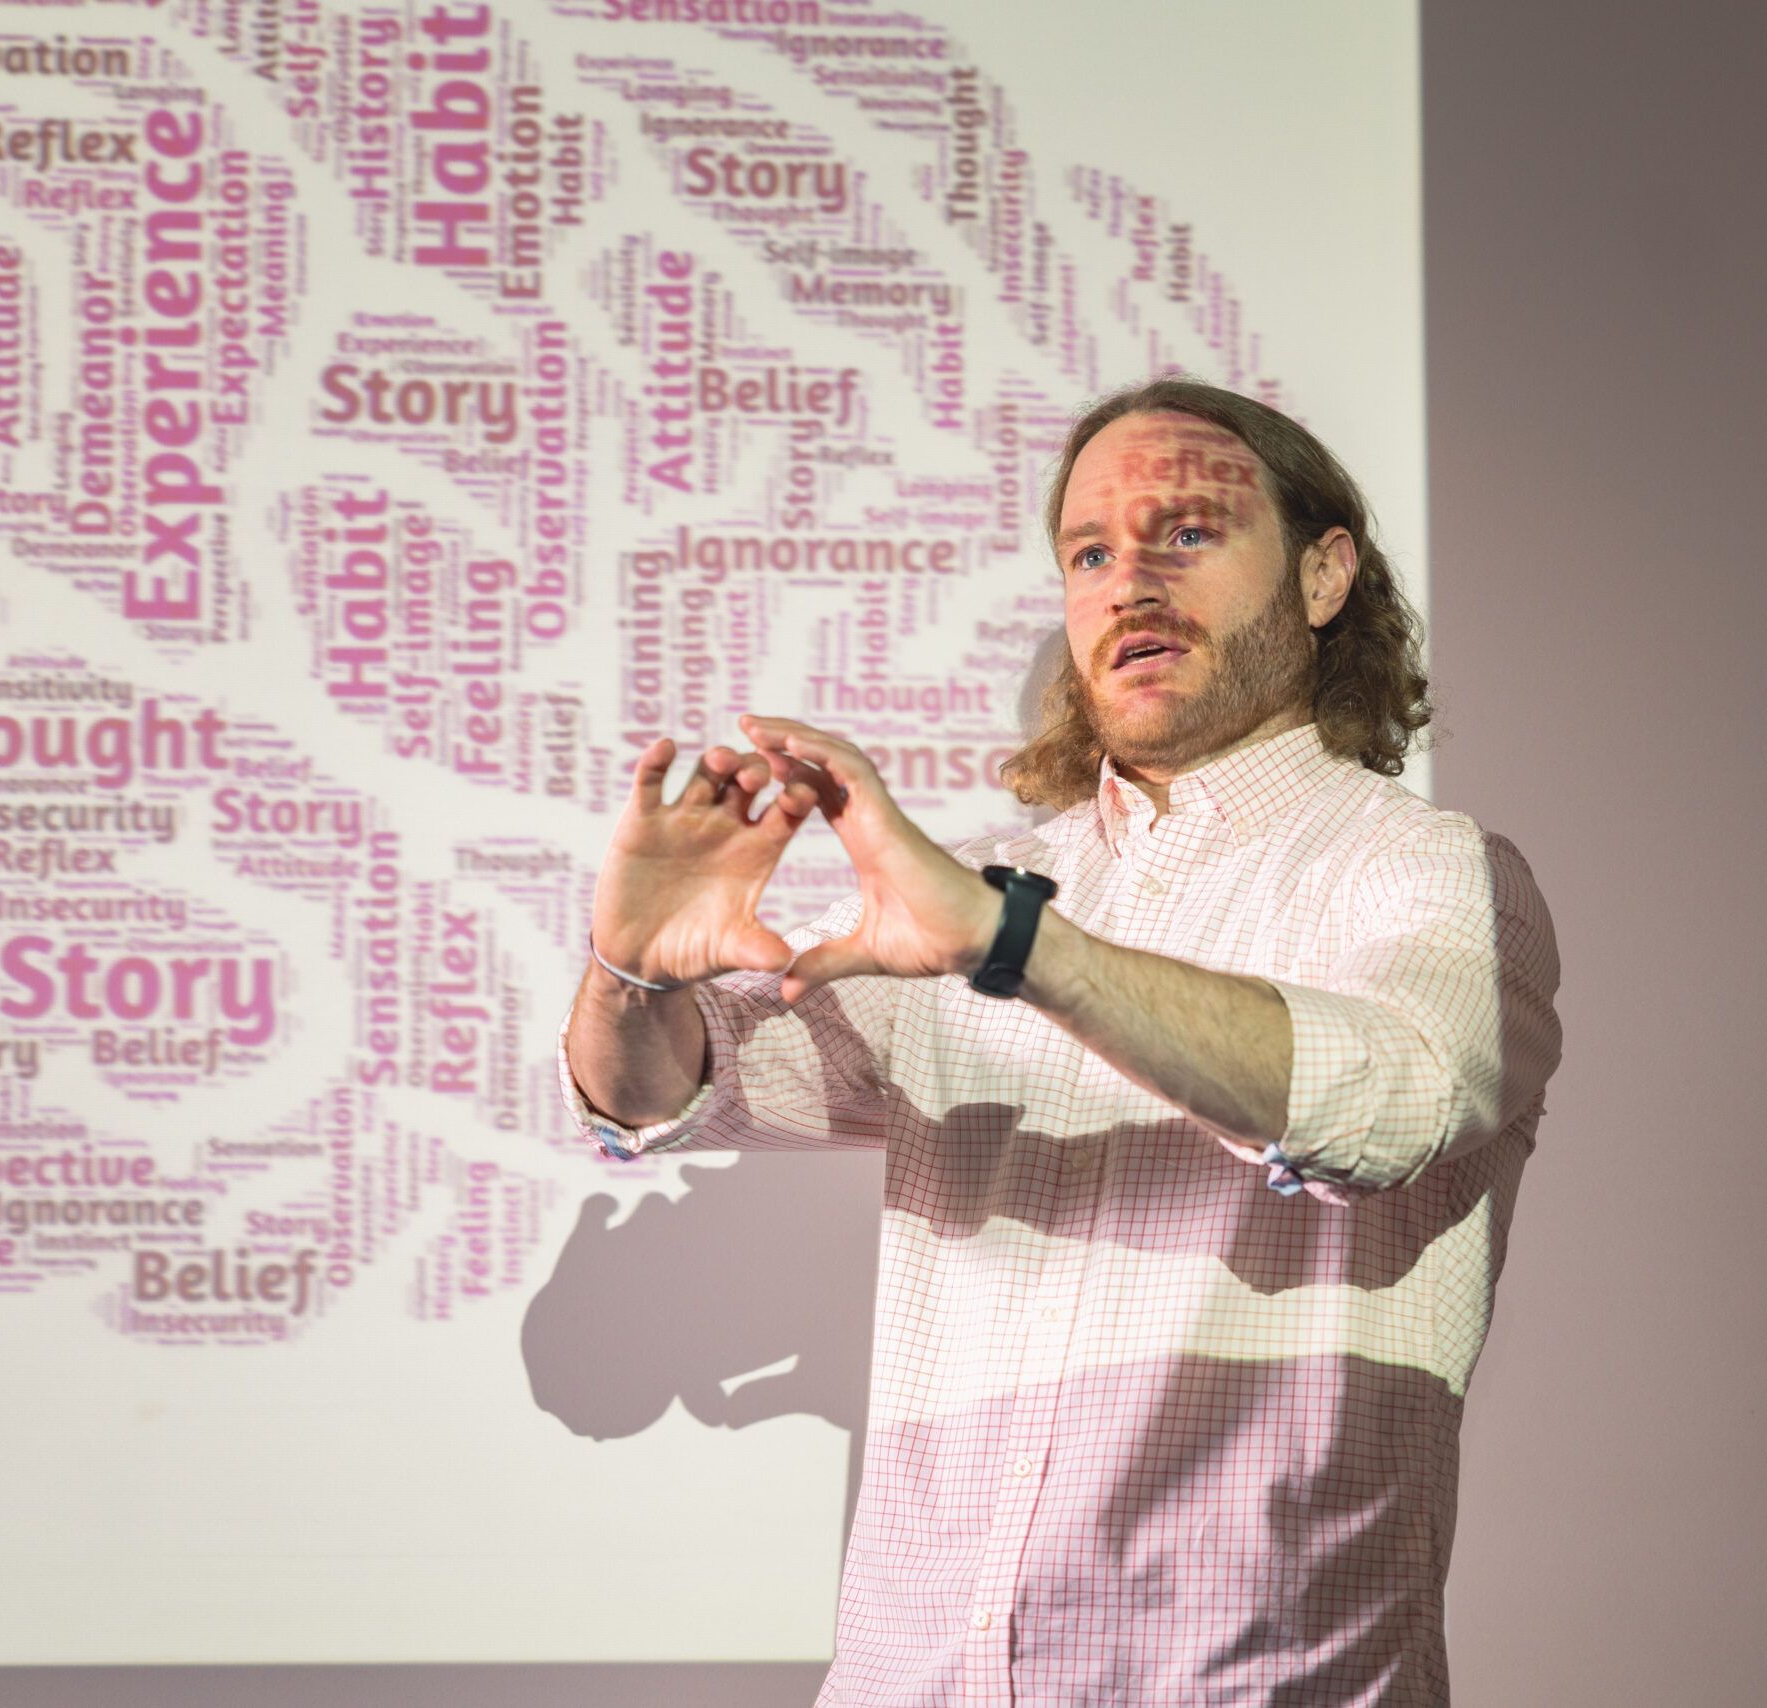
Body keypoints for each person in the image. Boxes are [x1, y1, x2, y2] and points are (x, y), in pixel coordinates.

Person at [559, 376, 1561, 1706]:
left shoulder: (1432, 875)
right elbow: (691, 1092)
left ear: (1325, 576)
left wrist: (1019, 948)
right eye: (1091, 553)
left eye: (1187, 534)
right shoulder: (984, 893)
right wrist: (633, 973)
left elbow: (1391, 1107)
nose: (1130, 580)